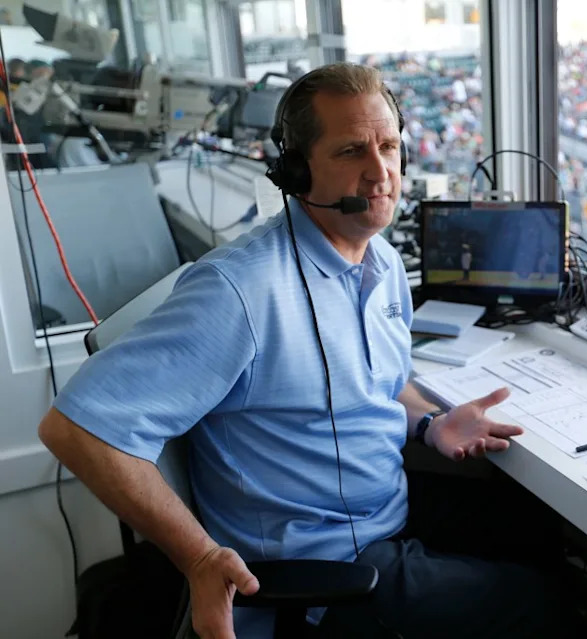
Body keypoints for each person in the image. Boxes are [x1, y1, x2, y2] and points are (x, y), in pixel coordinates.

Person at [38, 63, 560, 639]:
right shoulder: (238, 292)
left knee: (545, 533)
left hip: (387, 513)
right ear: (295, 171)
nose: (381, 171)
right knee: (540, 602)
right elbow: (75, 430)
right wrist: (200, 559)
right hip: (324, 571)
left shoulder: (380, 263)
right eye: (351, 151)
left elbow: (384, 384)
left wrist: (431, 423)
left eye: (389, 146)